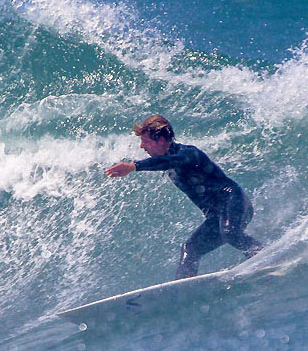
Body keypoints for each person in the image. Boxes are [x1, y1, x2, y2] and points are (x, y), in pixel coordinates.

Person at [106, 115, 262, 279]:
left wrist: (133, 166)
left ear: (160, 140)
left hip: (234, 202)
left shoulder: (188, 154)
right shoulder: (169, 161)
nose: (142, 146)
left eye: (146, 141)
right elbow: (165, 162)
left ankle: (260, 256)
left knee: (230, 232)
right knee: (190, 249)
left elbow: (169, 161)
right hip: (217, 215)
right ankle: (183, 286)